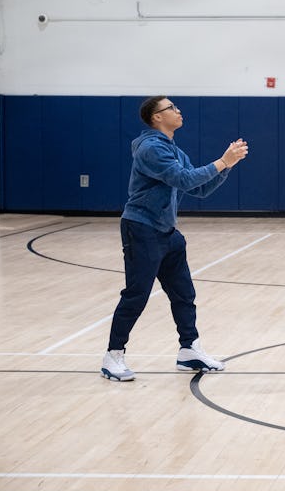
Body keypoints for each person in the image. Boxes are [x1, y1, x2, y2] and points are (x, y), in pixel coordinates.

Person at [101, 96, 248, 382]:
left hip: (167, 232)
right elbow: (184, 180)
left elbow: (199, 189)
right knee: (136, 295)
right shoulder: (151, 148)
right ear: (156, 117)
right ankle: (113, 355)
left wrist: (228, 166)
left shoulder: (174, 151)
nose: (178, 110)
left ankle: (189, 349)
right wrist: (221, 161)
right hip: (141, 228)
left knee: (184, 294)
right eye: (171, 107)